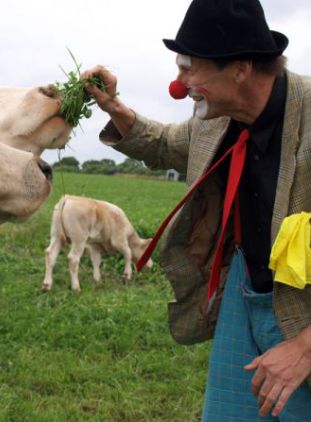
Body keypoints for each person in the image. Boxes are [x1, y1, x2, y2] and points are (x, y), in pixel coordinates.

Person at [83, 0, 311, 420]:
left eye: (189, 67)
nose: (179, 82)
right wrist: (114, 107)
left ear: (240, 68)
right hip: (245, 293)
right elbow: (167, 143)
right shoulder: (216, 117)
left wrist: (303, 347)